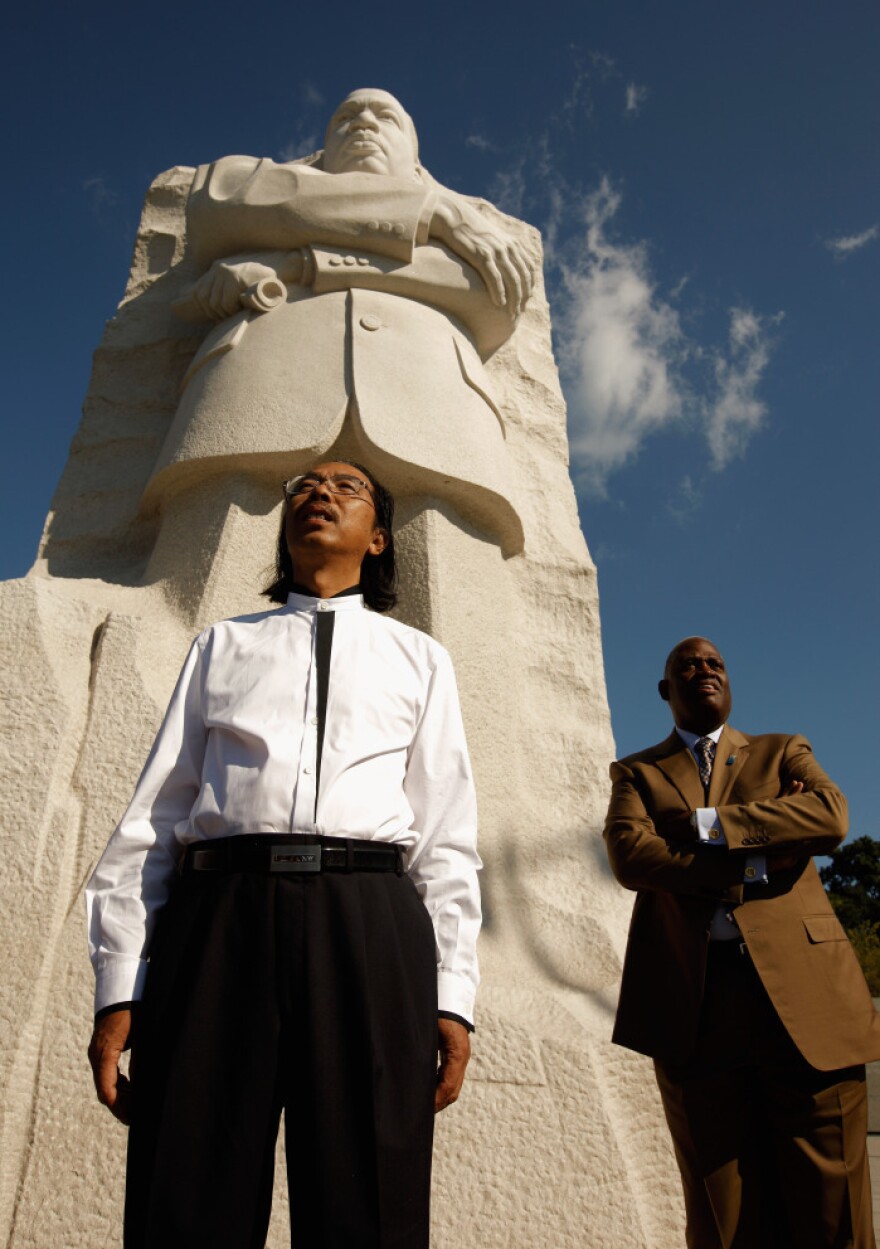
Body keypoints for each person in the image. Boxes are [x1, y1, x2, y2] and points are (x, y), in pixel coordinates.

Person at [86, 460, 481, 1249]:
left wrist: (454, 992)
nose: (319, 491)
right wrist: (118, 983)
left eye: (346, 486)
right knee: (188, 1190)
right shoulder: (221, 645)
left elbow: (445, 836)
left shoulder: (421, 658)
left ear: (378, 539)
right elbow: (155, 818)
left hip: (369, 924)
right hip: (220, 920)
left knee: (368, 1197)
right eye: (305, 483)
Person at [145, 88, 536, 554]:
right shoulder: (255, 182)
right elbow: (217, 204)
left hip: (436, 400)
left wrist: (296, 264)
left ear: (415, 159)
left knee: (453, 579)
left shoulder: (487, 224)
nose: (363, 123)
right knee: (214, 554)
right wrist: (430, 214)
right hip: (259, 384)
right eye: (345, 116)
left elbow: (493, 294)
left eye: (384, 116)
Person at [603, 635, 880, 1249]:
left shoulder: (784, 751)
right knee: (721, 1214)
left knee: (835, 1207)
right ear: (664, 689)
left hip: (808, 1004)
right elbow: (631, 856)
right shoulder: (637, 773)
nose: (705, 670)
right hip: (695, 1008)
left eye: (716, 663)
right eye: (688, 665)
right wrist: (759, 857)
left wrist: (705, 828)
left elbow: (830, 817)